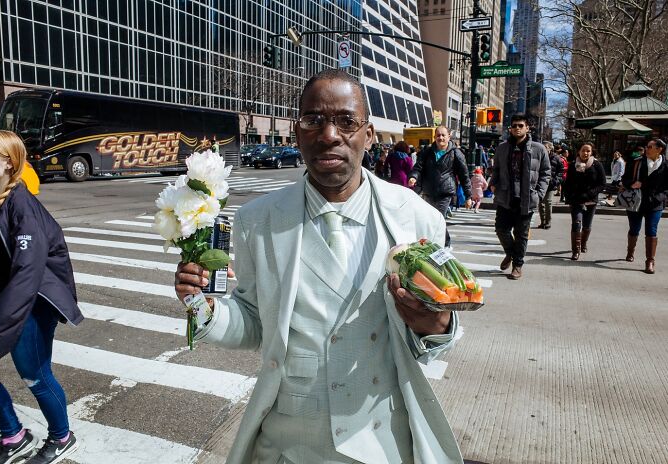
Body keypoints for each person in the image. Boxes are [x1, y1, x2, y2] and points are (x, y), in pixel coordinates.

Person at [175, 69, 463, 464]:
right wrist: (203, 308)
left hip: (383, 442)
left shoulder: (419, 220)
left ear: (369, 134)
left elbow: (437, 331)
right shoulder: (257, 221)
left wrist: (437, 326)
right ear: (296, 133)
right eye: (313, 120)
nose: (329, 135)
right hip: (288, 444)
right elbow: (255, 323)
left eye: (346, 121)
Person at [0, 130, 83, 464]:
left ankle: (62, 437)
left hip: (31, 304)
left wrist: (1, 332)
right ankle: (14, 436)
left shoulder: (23, 206)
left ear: (7, 162)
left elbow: (26, 276)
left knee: (34, 374)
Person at [489, 114, 551, 280]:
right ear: (510, 128)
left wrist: (539, 193)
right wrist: (493, 184)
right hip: (505, 197)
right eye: (514, 125)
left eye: (520, 125)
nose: (517, 128)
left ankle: (517, 265)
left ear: (527, 128)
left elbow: (546, 173)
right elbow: (496, 169)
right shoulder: (502, 148)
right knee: (501, 229)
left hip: (527, 198)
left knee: (521, 234)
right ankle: (510, 253)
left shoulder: (539, 149)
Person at [407, 125, 472, 247]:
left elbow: (464, 176)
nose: (440, 138)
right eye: (438, 135)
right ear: (434, 137)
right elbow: (418, 168)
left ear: (449, 137)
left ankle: (443, 245)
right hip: (428, 192)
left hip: (445, 193)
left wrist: (468, 196)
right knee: (432, 220)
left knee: (437, 219)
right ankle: (444, 243)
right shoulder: (427, 152)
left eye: (443, 135)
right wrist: (413, 177)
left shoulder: (456, 153)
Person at [622, 138, 668, 273]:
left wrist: (660, 197)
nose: (646, 149)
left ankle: (650, 261)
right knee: (634, 229)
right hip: (636, 202)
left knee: (651, 231)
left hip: (655, 204)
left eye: (649, 147)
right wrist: (631, 183)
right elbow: (624, 179)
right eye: (647, 147)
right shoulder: (637, 162)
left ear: (660, 149)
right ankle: (630, 251)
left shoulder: (666, 166)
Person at [563, 142, 606, 260]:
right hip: (576, 200)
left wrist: (590, 194)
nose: (585, 153)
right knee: (577, 223)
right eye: (583, 150)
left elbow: (602, 184)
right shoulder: (573, 165)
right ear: (579, 151)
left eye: (588, 151)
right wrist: (568, 196)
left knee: (587, 225)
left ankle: (583, 243)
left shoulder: (597, 165)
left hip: (590, 200)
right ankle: (575, 251)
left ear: (591, 152)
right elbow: (567, 183)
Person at [537, 141, 565, 229]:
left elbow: (561, 171)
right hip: (540, 183)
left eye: (546, 147)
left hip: (550, 183)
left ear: (550, 148)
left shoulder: (556, 158)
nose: (544, 148)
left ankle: (548, 222)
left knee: (548, 202)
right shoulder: (539, 156)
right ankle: (543, 222)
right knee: (540, 203)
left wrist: (555, 181)